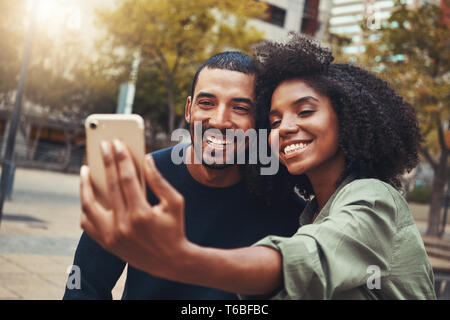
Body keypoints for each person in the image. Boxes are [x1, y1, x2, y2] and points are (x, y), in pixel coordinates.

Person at [79, 35, 436, 299]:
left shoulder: (372, 198)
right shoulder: (310, 213)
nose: (287, 127)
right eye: (277, 118)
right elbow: (84, 285)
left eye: (306, 111)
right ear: (189, 110)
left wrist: (183, 259)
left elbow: (307, 262)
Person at [64, 52, 304, 299]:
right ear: (189, 109)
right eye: (207, 103)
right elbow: (84, 286)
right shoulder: (136, 180)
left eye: (240, 108)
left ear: (259, 120)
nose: (220, 121)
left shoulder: (285, 208)